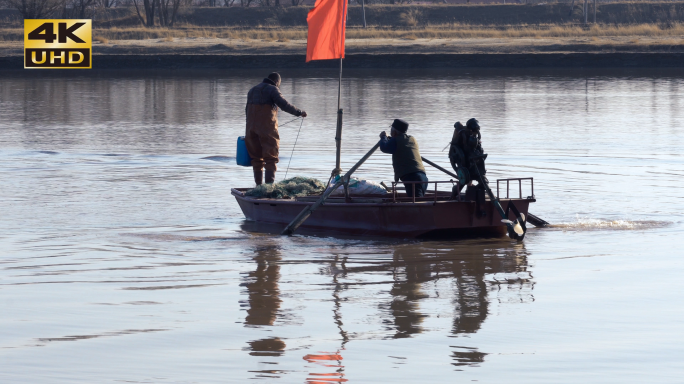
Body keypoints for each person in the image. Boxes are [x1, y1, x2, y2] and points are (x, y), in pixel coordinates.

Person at [245, 72, 307, 185]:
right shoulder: (273, 89)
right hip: (267, 129)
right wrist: (299, 112)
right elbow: (284, 105)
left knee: (256, 159)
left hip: (250, 129)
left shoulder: (252, 90)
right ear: (277, 82)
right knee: (271, 158)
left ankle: (258, 187)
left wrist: (250, 127)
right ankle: (269, 188)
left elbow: (246, 111)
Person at [379, 119, 428, 198]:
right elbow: (396, 142)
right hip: (423, 177)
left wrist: (383, 137)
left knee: (416, 205)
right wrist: (389, 139)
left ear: (394, 132)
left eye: (391, 130)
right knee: (418, 200)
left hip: (412, 178)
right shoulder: (412, 139)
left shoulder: (396, 141)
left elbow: (384, 147)